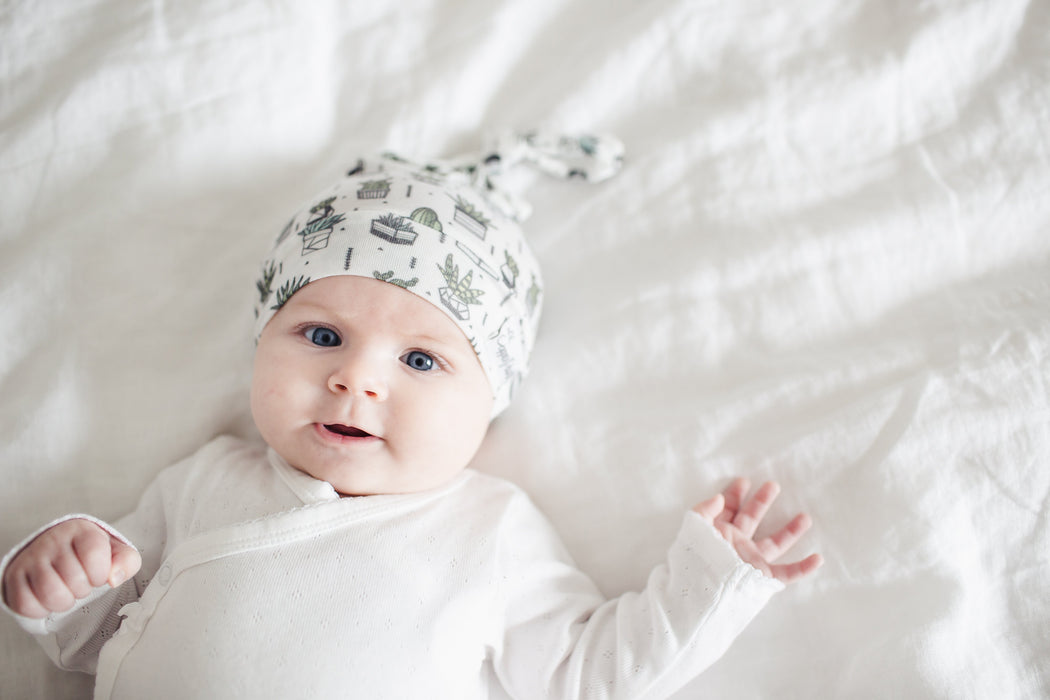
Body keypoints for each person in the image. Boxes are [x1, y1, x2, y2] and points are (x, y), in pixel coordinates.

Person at [1, 132, 822, 699]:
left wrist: (706, 584)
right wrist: (59, 584)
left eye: (421, 360)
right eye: (321, 335)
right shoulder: (205, 478)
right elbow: (97, 641)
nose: (356, 380)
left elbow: (583, 674)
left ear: (489, 403)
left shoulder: (487, 529)